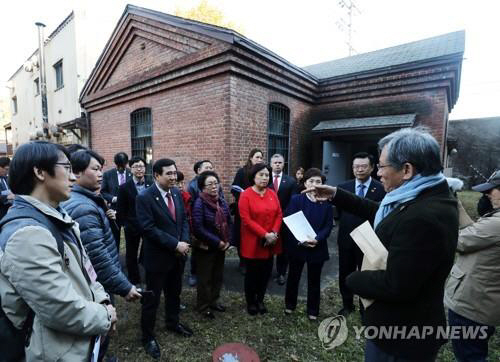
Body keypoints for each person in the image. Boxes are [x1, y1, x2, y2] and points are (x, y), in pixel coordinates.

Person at [304, 128, 458, 361]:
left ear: (406, 169)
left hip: (401, 337)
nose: (378, 173)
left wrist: (353, 279)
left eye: (382, 167)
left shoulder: (423, 216)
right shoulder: (422, 195)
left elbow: (396, 285)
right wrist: (336, 194)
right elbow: (382, 213)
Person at [0, 141, 116, 361]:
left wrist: (102, 300)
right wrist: (105, 316)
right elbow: (59, 309)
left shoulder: (57, 217)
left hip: (79, 339)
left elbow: (86, 272)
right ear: (39, 172)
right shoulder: (27, 233)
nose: (73, 177)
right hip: (58, 350)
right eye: (67, 168)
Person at [62, 149, 140, 360]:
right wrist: (124, 286)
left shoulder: (85, 200)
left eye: (101, 169)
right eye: (95, 169)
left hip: (95, 284)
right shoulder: (83, 207)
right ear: (76, 173)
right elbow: (97, 257)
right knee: (98, 333)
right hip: (96, 286)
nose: (100, 174)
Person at [136, 158, 192, 359]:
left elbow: (183, 220)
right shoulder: (145, 197)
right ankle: (148, 336)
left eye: (174, 173)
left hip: (178, 257)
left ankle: (172, 322)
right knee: (152, 299)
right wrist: (174, 244)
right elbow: (148, 228)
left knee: (174, 293)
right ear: (157, 175)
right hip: (157, 259)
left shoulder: (176, 193)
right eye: (168, 173)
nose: (173, 177)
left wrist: (183, 242)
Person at [444, 170, 500, 362]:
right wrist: (455, 203)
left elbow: (459, 241)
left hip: (472, 307)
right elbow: (473, 233)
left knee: (470, 356)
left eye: (491, 190)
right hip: (484, 305)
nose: (487, 194)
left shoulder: (497, 224)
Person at [336, 152, 385, 317]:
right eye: (356, 166)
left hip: (369, 240)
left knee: (367, 275)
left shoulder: (381, 188)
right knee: (345, 273)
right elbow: (338, 213)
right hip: (346, 239)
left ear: (372, 168)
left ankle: (366, 308)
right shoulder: (343, 187)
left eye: (363, 166)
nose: (359, 170)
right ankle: (347, 304)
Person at [284, 168, 333, 320]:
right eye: (311, 181)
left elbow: (328, 226)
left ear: (323, 184)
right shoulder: (296, 200)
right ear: (305, 183)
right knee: (293, 276)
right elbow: (289, 220)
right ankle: (290, 305)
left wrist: (317, 239)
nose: (314, 184)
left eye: (318, 181)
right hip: (298, 245)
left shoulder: (326, 203)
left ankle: (313, 310)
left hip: (317, 246)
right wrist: (300, 240)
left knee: (314, 280)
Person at [239, 163, 282, 315]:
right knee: (252, 275)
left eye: (267, 175)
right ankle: (251, 302)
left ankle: (260, 300)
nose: (265, 178)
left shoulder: (272, 193)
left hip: (271, 241)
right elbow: (246, 219)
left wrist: (274, 232)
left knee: (266, 273)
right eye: (261, 175)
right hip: (254, 241)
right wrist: (265, 234)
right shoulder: (246, 195)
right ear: (253, 176)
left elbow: (279, 214)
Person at [191, 171, 231, 319]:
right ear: (202, 187)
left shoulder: (220, 201)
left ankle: (214, 301)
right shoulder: (199, 203)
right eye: (210, 184)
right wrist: (218, 242)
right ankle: (203, 306)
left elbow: (228, 221)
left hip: (221, 246)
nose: (214, 186)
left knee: (217, 276)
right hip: (206, 247)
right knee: (205, 278)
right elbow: (198, 228)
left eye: (216, 183)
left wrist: (228, 241)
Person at [117, 156, 152, 286]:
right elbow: (121, 210)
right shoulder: (124, 188)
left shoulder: (151, 184)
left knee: (149, 251)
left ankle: (149, 276)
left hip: (149, 225)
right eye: (136, 166)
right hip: (132, 226)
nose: (139, 169)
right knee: (131, 254)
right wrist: (126, 224)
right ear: (130, 169)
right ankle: (134, 280)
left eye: (141, 166)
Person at [186, 160, 219, 287]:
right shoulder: (193, 186)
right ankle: (194, 273)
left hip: (213, 221)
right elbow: (192, 206)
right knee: (198, 250)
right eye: (207, 167)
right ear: (199, 171)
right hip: (199, 221)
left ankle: (211, 273)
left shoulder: (215, 182)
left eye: (211, 167)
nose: (210, 169)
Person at [231, 148, 264, 275]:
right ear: (251, 158)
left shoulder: (263, 173)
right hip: (244, 210)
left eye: (261, 157)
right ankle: (243, 262)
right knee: (242, 236)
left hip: (258, 210)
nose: (259, 159)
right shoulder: (242, 171)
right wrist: (245, 196)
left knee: (255, 234)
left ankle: (255, 258)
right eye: (257, 157)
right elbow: (234, 188)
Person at [269, 153, 297, 285]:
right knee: (268, 246)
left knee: (283, 249)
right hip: (267, 220)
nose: (277, 165)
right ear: (271, 164)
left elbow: (293, 201)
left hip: (285, 220)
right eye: (275, 162)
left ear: (283, 163)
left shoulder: (290, 181)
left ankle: (281, 273)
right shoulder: (265, 179)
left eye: (280, 162)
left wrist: (282, 216)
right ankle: (266, 271)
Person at [101, 152, 132, 249]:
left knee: (131, 239)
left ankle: (130, 261)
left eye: (123, 166)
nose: (121, 168)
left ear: (126, 163)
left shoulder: (132, 173)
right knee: (115, 238)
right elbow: (103, 191)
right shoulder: (107, 174)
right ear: (115, 164)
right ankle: (116, 260)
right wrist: (113, 199)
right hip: (114, 211)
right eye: (119, 166)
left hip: (129, 212)